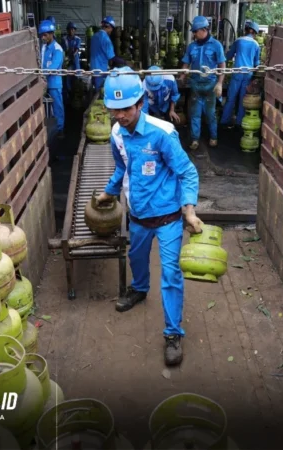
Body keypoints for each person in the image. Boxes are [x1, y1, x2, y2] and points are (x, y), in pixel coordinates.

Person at [94, 67, 203, 366]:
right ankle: (139, 289)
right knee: (136, 259)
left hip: (168, 219)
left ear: (140, 103)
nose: (119, 116)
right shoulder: (116, 134)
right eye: (113, 110)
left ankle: (172, 333)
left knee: (170, 276)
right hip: (138, 216)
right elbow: (122, 167)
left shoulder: (163, 134)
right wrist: (108, 192)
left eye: (125, 109)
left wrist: (189, 210)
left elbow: (187, 172)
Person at [179, 16, 226, 151]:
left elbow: (222, 64)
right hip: (195, 85)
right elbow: (186, 63)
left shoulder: (216, 45)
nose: (194, 34)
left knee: (210, 114)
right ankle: (195, 139)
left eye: (195, 31)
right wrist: (182, 76)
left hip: (210, 86)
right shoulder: (191, 46)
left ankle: (213, 137)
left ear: (204, 29)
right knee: (195, 114)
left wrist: (220, 83)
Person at [220, 20, 260, 129]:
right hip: (248, 74)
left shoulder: (238, 41)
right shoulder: (256, 45)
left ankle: (224, 121)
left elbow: (228, 56)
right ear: (254, 32)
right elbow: (257, 63)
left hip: (237, 72)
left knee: (231, 98)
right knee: (243, 99)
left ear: (246, 30)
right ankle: (239, 123)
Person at [39, 20, 65, 139]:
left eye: (45, 35)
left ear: (51, 34)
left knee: (57, 107)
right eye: (42, 35)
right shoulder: (43, 48)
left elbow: (54, 67)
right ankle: (46, 129)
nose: (43, 38)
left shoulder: (57, 49)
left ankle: (60, 130)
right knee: (44, 107)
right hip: (43, 83)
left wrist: (41, 74)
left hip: (54, 84)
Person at [89, 16, 126, 92]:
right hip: (101, 71)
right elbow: (112, 57)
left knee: (94, 92)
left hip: (92, 69)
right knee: (100, 93)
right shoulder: (106, 39)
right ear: (108, 27)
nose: (111, 30)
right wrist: (124, 62)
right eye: (111, 28)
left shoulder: (94, 36)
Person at [62, 22, 82, 97]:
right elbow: (63, 50)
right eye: (70, 29)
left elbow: (77, 49)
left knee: (77, 76)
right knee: (68, 78)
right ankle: (68, 95)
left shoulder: (78, 39)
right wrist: (67, 58)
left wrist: (73, 54)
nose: (71, 31)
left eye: (73, 29)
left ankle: (77, 94)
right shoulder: (64, 39)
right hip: (68, 61)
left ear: (75, 30)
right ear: (67, 30)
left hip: (75, 61)